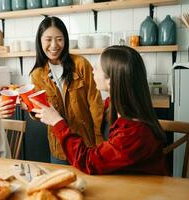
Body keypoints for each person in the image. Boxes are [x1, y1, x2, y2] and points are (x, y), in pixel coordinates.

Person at [31, 45, 169, 175]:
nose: (92, 70)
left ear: (110, 81)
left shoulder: (133, 133)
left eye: (97, 67)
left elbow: (87, 161)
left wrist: (57, 122)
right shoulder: (115, 105)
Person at [29, 16, 104, 165]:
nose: (54, 45)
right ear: (40, 41)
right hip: (59, 148)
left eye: (59, 39)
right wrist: (31, 109)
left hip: (86, 144)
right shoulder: (37, 75)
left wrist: (99, 141)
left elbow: (96, 105)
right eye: (48, 39)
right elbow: (42, 113)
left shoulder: (81, 64)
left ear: (65, 40)